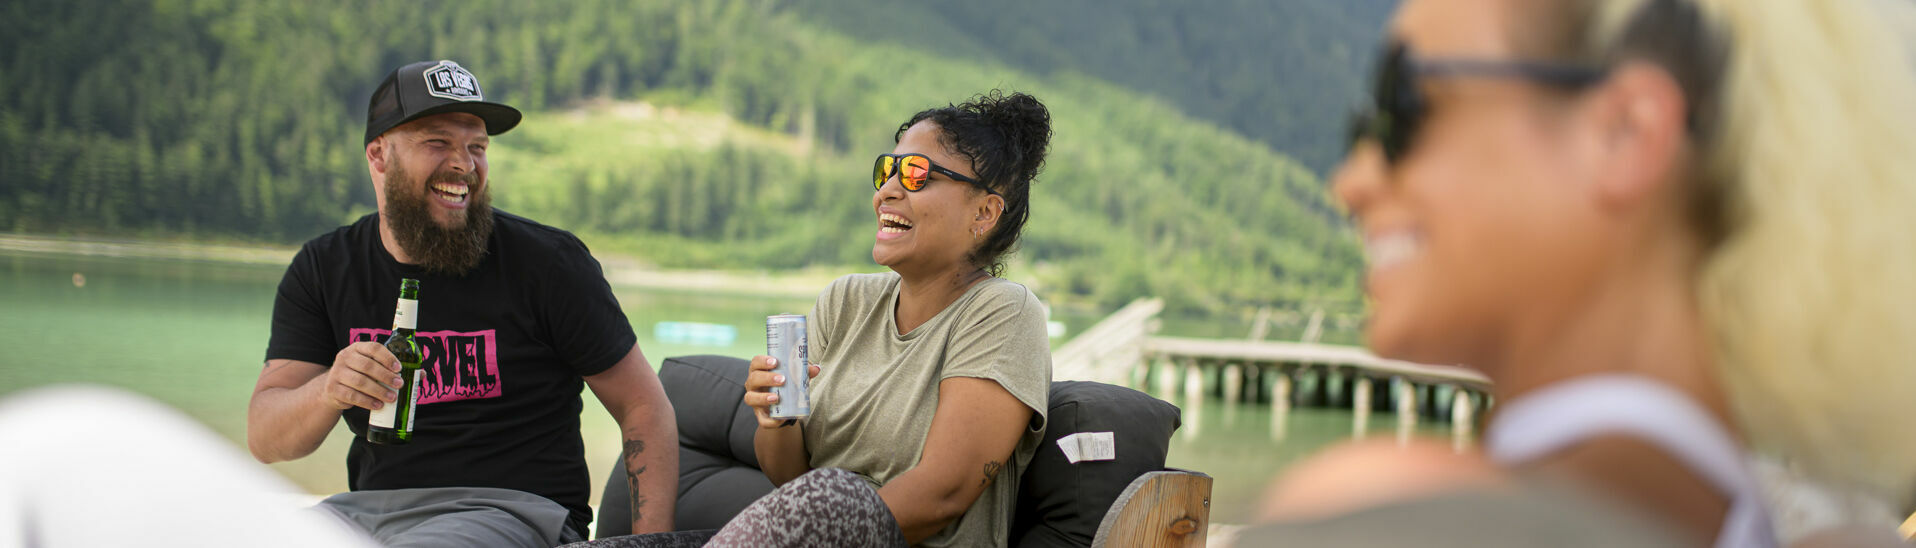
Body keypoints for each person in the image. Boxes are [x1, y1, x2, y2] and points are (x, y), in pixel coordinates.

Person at [1251, 0, 1916, 546]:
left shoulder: (1384, 510)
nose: (1353, 182)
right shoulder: (1829, 535)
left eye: (1406, 108)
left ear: (1626, 132)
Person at [246, 60, 678, 546]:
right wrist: (329, 390)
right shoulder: (324, 267)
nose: (464, 164)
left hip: (514, 513)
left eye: (477, 147)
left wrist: (651, 543)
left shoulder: (548, 263)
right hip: (367, 513)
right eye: (438, 143)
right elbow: (266, 437)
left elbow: (645, 406)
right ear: (379, 154)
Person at [712, 91, 1055, 547]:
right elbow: (790, 480)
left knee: (837, 493)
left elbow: (942, 493)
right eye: (886, 171)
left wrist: (827, 524)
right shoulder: (844, 300)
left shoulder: (1004, 314)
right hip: (812, 536)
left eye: (916, 175)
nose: (887, 191)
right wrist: (778, 421)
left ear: (984, 212)